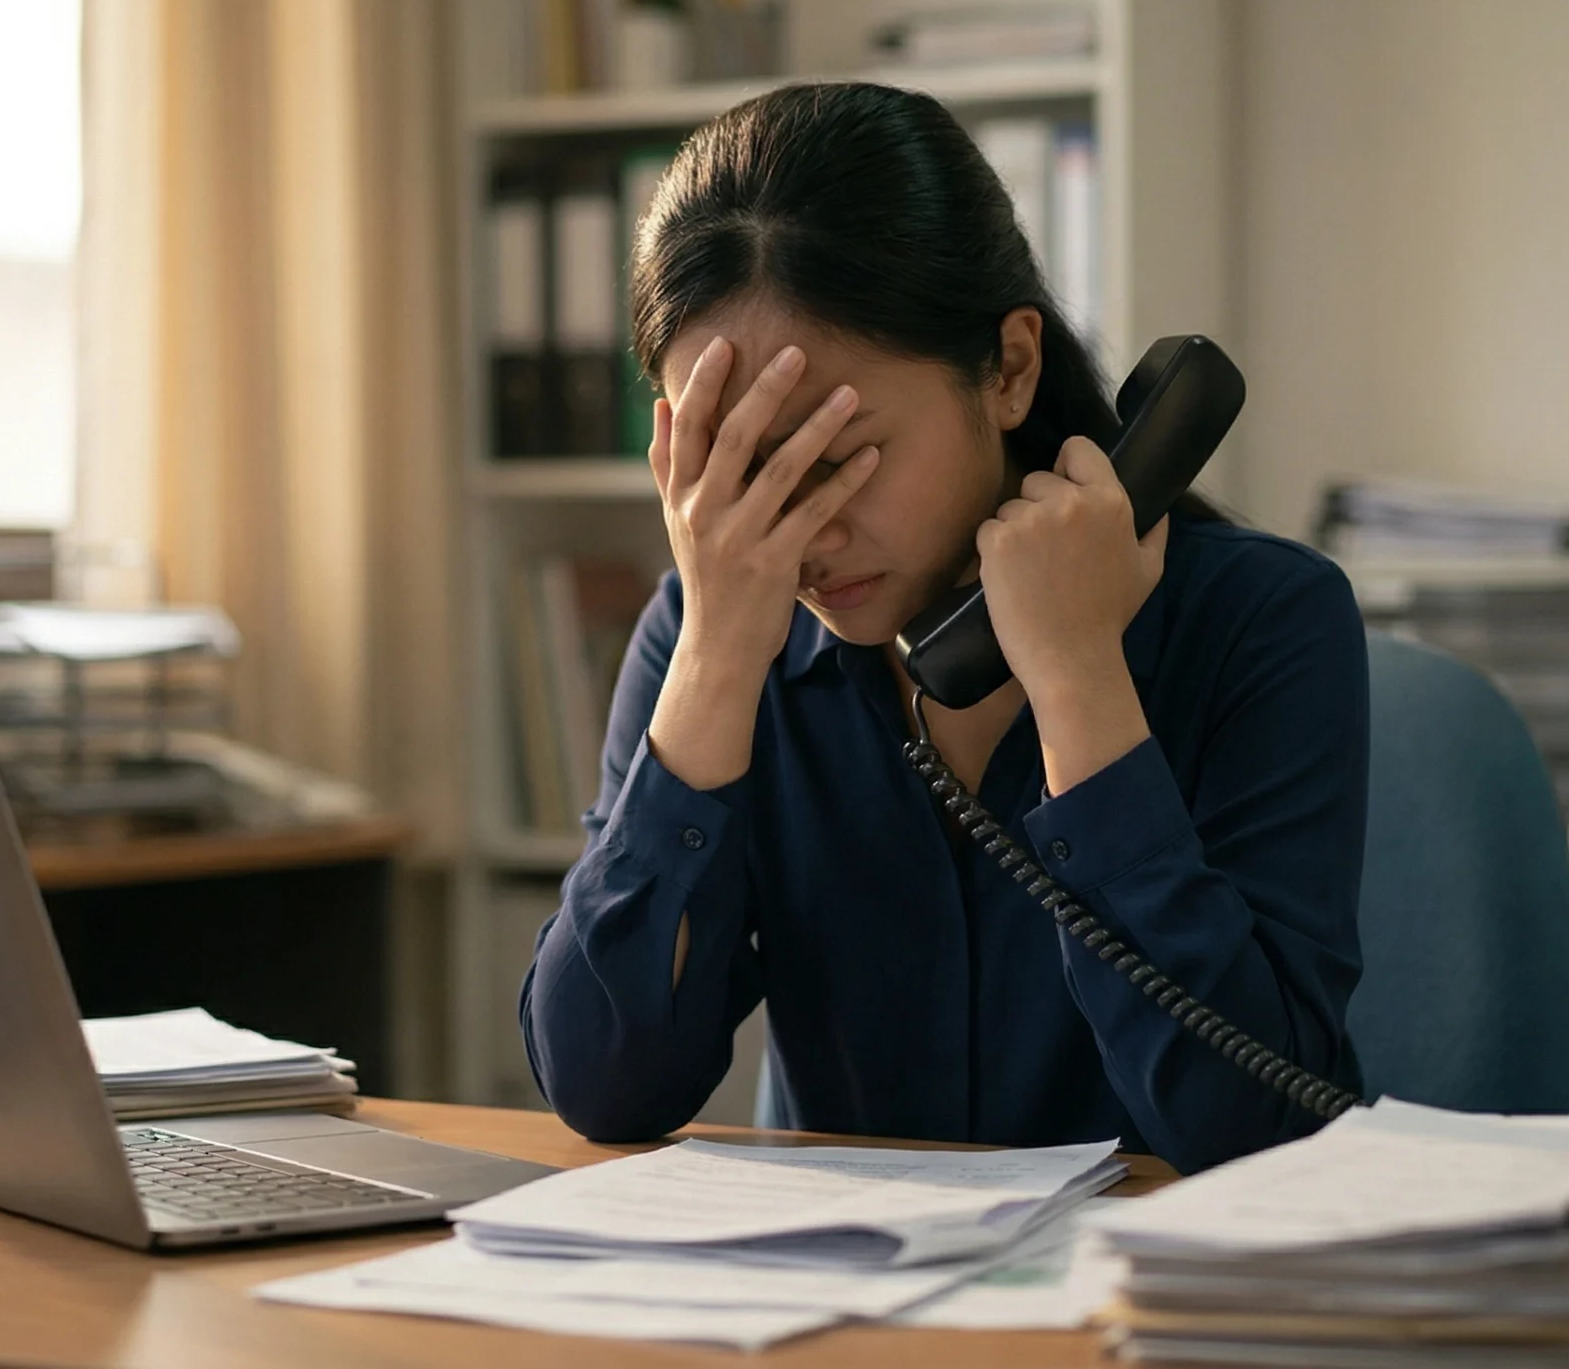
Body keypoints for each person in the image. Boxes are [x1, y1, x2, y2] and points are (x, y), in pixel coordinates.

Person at [518, 82, 1368, 1173]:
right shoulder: (712, 630)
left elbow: (1256, 1129)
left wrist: (1076, 681)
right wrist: (716, 664)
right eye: (740, 468)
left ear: (1009, 368)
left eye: (838, 456)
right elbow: (604, 1087)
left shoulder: (1263, 624)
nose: (798, 531)